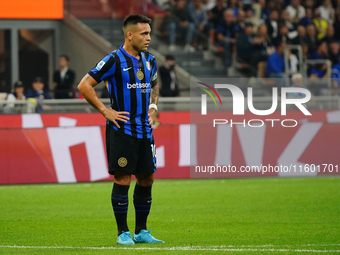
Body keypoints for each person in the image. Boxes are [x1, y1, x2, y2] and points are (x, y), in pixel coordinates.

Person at [77, 14, 164, 245]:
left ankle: (141, 231)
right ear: (130, 34)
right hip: (122, 130)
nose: (149, 37)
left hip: (145, 131)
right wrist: (105, 110)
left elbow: (154, 85)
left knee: (147, 178)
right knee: (123, 178)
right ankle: (123, 232)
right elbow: (84, 85)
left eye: (149, 33)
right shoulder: (114, 60)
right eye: (144, 33)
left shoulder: (149, 60)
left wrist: (153, 107)